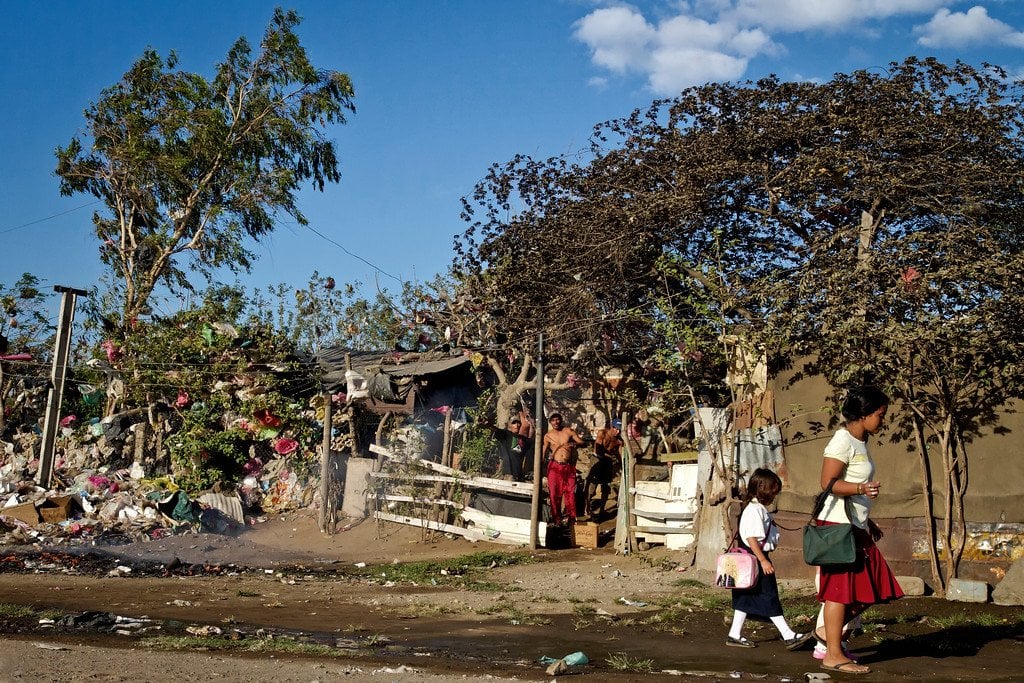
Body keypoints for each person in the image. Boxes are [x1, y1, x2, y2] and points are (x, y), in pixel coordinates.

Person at [814, 386, 903, 675]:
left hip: (855, 524)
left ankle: (828, 632)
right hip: (838, 527)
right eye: (880, 415)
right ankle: (833, 654)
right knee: (839, 592)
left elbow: (851, 489)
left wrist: (867, 518)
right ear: (864, 414)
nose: (883, 421)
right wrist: (861, 488)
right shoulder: (842, 440)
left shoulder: (860, 442)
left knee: (874, 586)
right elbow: (827, 482)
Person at [726, 468, 813, 651]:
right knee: (769, 595)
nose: (775, 495)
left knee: (745, 596)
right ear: (763, 489)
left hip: (752, 558)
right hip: (756, 558)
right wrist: (763, 561)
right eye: (773, 491)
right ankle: (788, 636)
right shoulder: (755, 510)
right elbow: (751, 538)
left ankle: (734, 634)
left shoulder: (755, 508)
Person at [542, 413, 584, 526]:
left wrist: (573, 443)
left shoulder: (568, 431)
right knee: (554, 493)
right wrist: (540, 467)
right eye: (553, 420)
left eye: (557, 420)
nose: (555, 422)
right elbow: (543, 451)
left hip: (568, 466)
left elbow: (581, 442)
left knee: (570, 492)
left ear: (561, 420)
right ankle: (557, 519)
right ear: (550, 422)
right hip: (554, 467)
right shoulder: (548, 436)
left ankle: (571, 518)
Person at [585, 419, 623, 518]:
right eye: (616, 429)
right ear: (611, 426)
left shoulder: (619, 441)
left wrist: (622, 465)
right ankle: (587, 508)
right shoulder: (603, 433)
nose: (617, 432)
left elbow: (619, 454)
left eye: (619, 430)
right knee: (592, 485)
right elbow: (598, 448)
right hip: (597, 459)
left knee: (606, 486)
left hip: (607, 462)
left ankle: (602, 509)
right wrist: (609, 455)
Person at [483, 416, 526, 481]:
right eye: (514, 423)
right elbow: (495, 429)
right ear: (509, 425)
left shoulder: (523, 439)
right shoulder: (505, 435)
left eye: (518, 423)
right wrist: (488, 424)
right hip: (509, 475)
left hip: (519, 475)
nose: (517, 425)